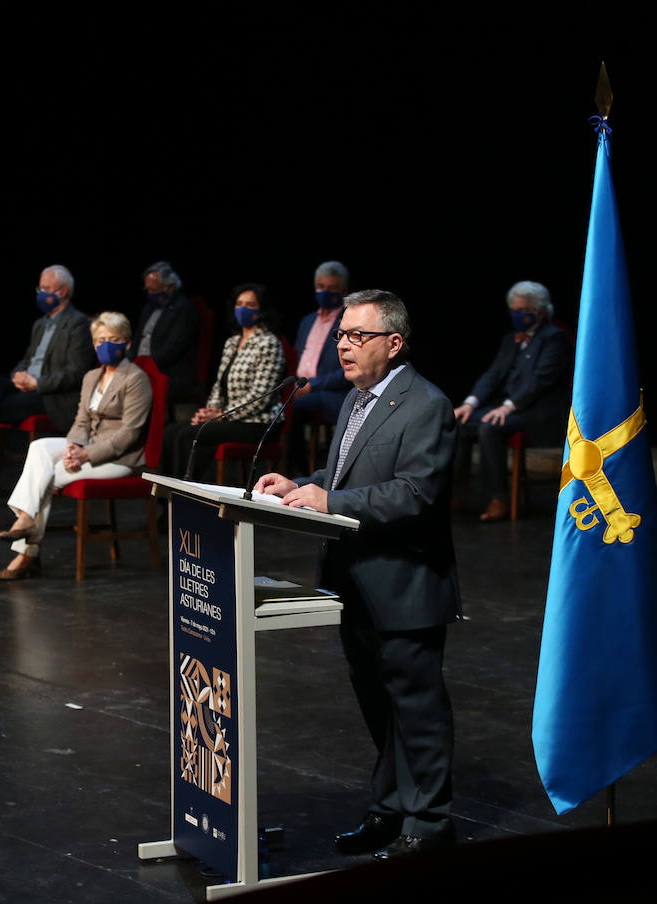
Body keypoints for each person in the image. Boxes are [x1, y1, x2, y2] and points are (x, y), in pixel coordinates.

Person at [254, 289, 459, 860]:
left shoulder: (426, 405)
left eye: (357, 336)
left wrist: (333, 497)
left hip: (403, 586)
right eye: (342, 335)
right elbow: (346, 470)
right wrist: (301, 484)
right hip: (353, 582)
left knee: (415, 709)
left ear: (393, 344)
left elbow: (415, 494)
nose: (343, 346)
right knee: (378, 705)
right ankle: (390, 809)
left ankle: (430, 822)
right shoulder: (357, 398)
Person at [0, 311, 152, 580]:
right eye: (101, 340)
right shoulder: (92, 376)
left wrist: (85, 454)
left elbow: (130, 434)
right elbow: (80, 420)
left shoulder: (136, 378)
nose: (106, 345)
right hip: (88, 446)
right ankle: (27, 521)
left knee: (46, 475)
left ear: (126, 344)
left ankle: (26, 553)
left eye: (113, 339)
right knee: (41, 448)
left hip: (120, 459)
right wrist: (72, 447)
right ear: (93, 344)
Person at [453, 281, 571, 521]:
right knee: (459, 424)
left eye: (523, 310)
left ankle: (499, 498)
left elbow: (539, 381)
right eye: (514, 310)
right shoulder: (511, 340)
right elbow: (493, 375)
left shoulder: (554, 338)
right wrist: (470, 403)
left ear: (539, 311)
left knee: (490, 427)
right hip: (510, 408)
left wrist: (506, 407)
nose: (518, 315)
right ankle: (456, 494)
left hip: (539, 412)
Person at [0, 264, 95, 486]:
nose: (41, 294)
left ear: (63, 291)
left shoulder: (78, 323)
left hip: (51, 395)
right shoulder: (40, 324)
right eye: (40, 289)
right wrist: (18, 375)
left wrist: (37, 383)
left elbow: (76, 372)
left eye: (46, 288)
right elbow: (28, 359)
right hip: (27, 386)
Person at [161, 283, 286, 479]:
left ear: (262, 310)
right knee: (171, 432)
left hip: (258, 422)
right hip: (228, 417)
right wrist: (209, 412)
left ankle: (190, 493)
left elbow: (261, 396)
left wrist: (222, 415)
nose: (243, 308)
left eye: (250, 304)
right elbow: (219, 385)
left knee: (190, 435)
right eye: (239, 304)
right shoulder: (232, 342)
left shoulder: (269, 343)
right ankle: (166, 497)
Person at [289, 261, 353, 463]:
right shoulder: (307, 321)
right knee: (276, 402)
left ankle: (297, 465)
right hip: (299, 386)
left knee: (292, 406)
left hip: (331, 392)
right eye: (322, 287)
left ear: (343, 291)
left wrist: (311, 386)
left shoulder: (348, 320)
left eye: (332, 288)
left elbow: (346, 371)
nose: (326, 292)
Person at [131, 260, 199, 404]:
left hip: (169, 372)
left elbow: (172, 350)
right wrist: (129, 362)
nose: (150, 294)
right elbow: (137, 339)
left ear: (170, 287)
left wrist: (143, 366)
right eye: (147, 290)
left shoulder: (184, 309)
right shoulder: (148, 308)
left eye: (154, 290)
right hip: (141, 368)